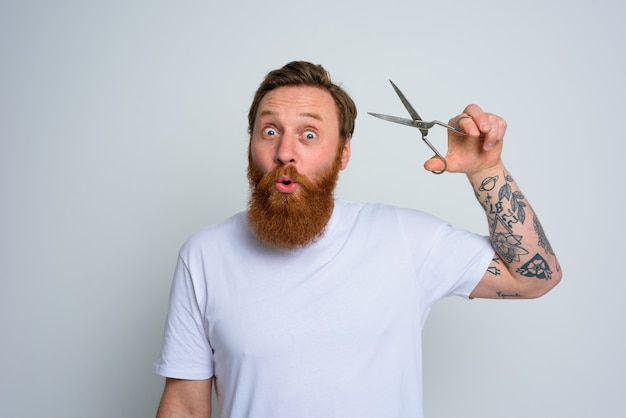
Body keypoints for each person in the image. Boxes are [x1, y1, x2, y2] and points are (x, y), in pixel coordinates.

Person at [154, 61, 561, 418]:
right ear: (251, 145)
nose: (284, 152)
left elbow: (534, 277)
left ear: (343, 153)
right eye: (270, 130)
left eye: (309, 134)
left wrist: (486, 169)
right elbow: (186, 407)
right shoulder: (205, 255)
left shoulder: (406, 240)